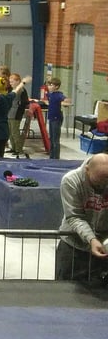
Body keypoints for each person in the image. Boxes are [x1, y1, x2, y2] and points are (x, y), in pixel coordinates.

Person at [55, 153, 108, 282]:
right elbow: (74, 216)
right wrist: (92, 239)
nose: (103, 185)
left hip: (104, 246)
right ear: (87, 170)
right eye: (99, 180)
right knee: (65, 292)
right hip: (73, 247)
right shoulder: (71, 181)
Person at [0, 76, 30, 160]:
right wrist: (23, 82)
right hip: (4, 130)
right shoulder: (9, 97)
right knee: (0, 156)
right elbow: (16, 90)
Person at [46, 77, 70, 160]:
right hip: (51, 118)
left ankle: (56, 158)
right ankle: (51, 157)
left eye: (51, 85)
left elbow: (66, 99)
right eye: (48, 85)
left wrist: (65, 102)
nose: (49, 87)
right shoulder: (50, 94)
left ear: (56, 86)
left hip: (57, 118)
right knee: (51, 138)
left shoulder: (59, 94)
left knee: (55, 140)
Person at [7, 73, 30, 157]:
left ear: (17, 81)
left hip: (16, 113)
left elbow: (25, 102)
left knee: (15, 132)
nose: (10, 83)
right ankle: (13, 147)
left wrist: (19, 105)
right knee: (10, 132)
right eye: (10, 82)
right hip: (10, 112)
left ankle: (18, 149)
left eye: (12, 82)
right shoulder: (12, 90)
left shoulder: (21, 90)